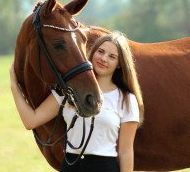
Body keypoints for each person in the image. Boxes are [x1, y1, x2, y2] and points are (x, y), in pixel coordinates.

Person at [10, 32, 144, 172]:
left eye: (112, 56)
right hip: (71, 166)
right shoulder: (69, 90)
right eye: (101, 51)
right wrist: (14, 86)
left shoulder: (127, 100)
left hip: (104, 167)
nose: (103, 58)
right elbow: (31, 121)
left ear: (119, 64)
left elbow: (126, 151)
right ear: (92, 53)